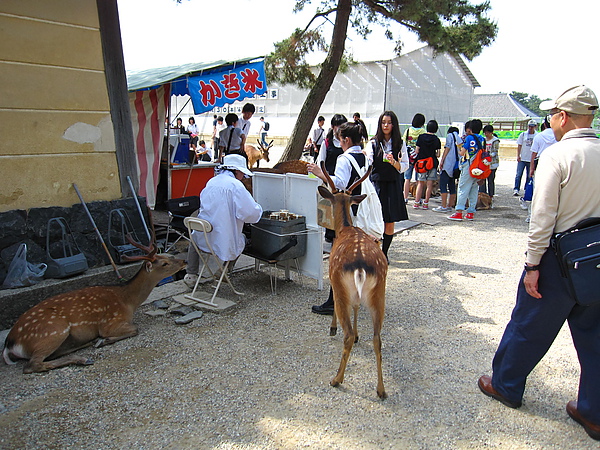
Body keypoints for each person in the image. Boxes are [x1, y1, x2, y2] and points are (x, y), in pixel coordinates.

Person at [478, 85, 600, 441]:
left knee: (529, 325)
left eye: (552, 115)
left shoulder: (558, 155)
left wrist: (532, 265)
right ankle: (594, 412)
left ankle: (506, 384)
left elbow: (542, 215)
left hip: (559, 258)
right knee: (595, 337)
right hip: (596, 256)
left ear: (562, 116)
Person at [307, 121, 368, 315]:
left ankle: (334, 301)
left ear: (346, 140)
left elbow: (340, 183)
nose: (339, 143)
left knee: (337, 256)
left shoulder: (345, 158)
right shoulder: (363, 156)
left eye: (340, 139)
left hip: (343, 214)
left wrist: (320, 173)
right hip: (359, 211)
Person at [184, 154, 263, 287]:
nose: (243, 177)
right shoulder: (235, 186)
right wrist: (259, 209)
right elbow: (250, 213)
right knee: (243, 239)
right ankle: (224, 272)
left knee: (195, 236)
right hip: (222, 239)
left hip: (204, 235)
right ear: (237, 171)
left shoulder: (212, 181)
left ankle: (191, 274)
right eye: (242, 173)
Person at [369, 111, 409, 262]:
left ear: (394, 125)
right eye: (383, 122)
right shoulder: (374, 143)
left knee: (389, 220)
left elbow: (404, 166)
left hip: (392, 184)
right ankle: (374, 251)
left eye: (389, 122)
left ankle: (384, 253)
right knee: (375, 219)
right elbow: (368, 162)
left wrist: (393, 162)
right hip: (377, 184)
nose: (386, 125)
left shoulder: (400, 143)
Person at [316, 114, 347, 243]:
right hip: (329, 181)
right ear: (333, 127)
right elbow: (320, 161)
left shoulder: (347, 143)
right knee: (329, 209)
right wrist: (323, 178)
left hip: (343, 181)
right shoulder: (326, 142)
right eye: (338, 127)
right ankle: (330, 234)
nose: (340, 130)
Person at [448, 119, 485, 221]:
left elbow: (462, 153)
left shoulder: (469, 138)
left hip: (469, 166)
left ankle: (459, 212)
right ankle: (470, 212)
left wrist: (459, 147)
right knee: (474, 189)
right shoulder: (483, 139)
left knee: (463, 188)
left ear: (470, 129)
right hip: (479, 167)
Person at [413, 120, 441, 210]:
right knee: (429, 185)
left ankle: (416, 202)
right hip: (432, 163)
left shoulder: (421, 137)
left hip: (422, 164)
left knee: (420, 183)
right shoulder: (436, 139)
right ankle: (426, 203)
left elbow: (417, 150)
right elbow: (438, 154)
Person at [434, 126, 462, 213]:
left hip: (448, 164)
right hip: (455, 166)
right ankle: (450, 205)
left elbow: (447, 148)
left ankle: (443, 206)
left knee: (443, 185)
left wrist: (442, 161)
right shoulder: (459, 140)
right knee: (452, 185)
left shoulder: (450, 136)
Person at [402, 113, 427, 203]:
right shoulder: (423, 132)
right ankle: (418, 198)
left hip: (409, 158)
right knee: (418, 180)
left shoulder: (408, 130)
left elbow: (403, 143)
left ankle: (405, 197)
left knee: (407, 178)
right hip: (419, 159)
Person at [513, 119, 538, 196]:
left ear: (535, 127)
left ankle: (527, 189)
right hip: (523, 157)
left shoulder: (537, 136)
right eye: (529, 126)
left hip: (531, 158)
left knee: (529, 175)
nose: (530, 128)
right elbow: (519, 145)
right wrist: (518, 155)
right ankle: (516, 188)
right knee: (519, 174)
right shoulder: (523, 134)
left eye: (532, 127)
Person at [478, 124, 500, 197]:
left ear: (491, 132)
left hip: (492, 163)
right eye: (485, 133)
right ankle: (482, 194)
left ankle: (491, 195)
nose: (486, 134)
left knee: (490, 180)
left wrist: (488, 155)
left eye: (487, 132)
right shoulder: (483, 140)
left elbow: (495, 151)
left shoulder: (495, 141)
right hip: (484, 163)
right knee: (482, 179)